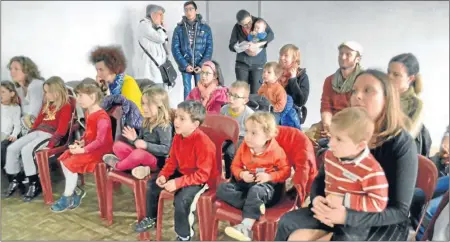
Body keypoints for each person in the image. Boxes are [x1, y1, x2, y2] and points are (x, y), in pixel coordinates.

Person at [275, 69, 418, 241]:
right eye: (354, 90)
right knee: (287, 222)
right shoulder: (343, 134)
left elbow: (399, 211)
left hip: (380, 220)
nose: (357, 96)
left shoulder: (402, 144)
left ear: (387, 99)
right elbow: (322, 179)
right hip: (336, 207)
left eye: (367, 90)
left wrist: (346, 217)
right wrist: (318, 199)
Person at [287, 107, 389, 240]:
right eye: (331, 136)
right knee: (290, 228)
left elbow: (378, 203)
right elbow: (320, 180)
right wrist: (317, 199)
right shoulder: (330, 155)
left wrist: (344, 201)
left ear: (360, 146)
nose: (330, 143)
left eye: (339, 139)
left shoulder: (372, 171)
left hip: (353, 221)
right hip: (327, 212)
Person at [134, 100, 217, 241]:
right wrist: (164, 175)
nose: (176, 121)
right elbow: (172, 160)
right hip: (184, 173)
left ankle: (184, 236)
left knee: (182, 200)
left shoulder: (204, 143)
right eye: (176, 116)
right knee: (153, 184)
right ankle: (151, 218)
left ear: (195, 124)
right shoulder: (178, 137)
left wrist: (177, 183)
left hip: (202, 179)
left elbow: (203, 175)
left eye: (182, 118)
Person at [216, 112, 290, 241]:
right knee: (222, 188)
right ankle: (255, 206)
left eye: (254, 133)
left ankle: (245, 227)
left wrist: (269, 176)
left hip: (267, 187)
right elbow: (235, 166)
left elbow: (286, 172)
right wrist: (242, 174)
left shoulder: (276, 151)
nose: (247, 136)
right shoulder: (244, 146)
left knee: (256, 191)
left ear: (267, 136)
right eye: (247, 131)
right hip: (247, 183)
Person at [4, 77, 72, 202]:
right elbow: (38, 121)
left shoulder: (65, 106)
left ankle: (34, 183)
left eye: (48, 92)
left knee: (26, 150)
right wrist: (29, 135)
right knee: (12, 148)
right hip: (37, 132)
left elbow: (62, 130)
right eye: (45, 92)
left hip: (49, 135)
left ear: (57, 91)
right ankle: (15, 179)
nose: (46, 95)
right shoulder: (47, 104)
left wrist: (51, 145)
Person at [51, 79, 113, 212]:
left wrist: (83, 150)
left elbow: (100, 141)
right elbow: (89, 133)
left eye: (80, 96)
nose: (78, 99)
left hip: (100, 151)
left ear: (92, 97)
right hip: (90, 146)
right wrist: (82, 141)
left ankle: (67, 196)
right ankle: (74, 190)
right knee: (64, 158)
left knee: (71, 163)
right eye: (77, 95)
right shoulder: (88, 112)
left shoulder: (102, 117)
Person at [103, 86, 173, 179]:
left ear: (160, 106)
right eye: (143, 103)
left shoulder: (164, 125)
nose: (144, 107)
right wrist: (134, 139)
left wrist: (146, 145)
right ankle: (140, 169)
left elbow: (167, 149)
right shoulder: (146, 121)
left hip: (156, 161)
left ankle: (118, 166)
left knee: (138, 154)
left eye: (148, 104)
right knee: (118, 146)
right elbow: (138, 143)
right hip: (142, 155)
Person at [388, 53, 431, 156]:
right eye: (388, 72)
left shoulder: (416, 104)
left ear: (410, 78)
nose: (389, 77)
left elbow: (407, 136)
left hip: (397, 155)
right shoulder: (381, 95)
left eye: (396, 74)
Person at [319, 41, 364, 139]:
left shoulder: (364, 79)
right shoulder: (330, 80)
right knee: (307, 138)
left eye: (348, 54)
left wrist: (339, 131)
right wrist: (328, 126)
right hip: (333, 122)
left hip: (354, 125)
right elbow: (326, 106)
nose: (343, 57)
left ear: (357, 59)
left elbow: (363, 112)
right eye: (341, 53)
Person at [172, 1, 213, 99]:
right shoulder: (179, 28)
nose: (188, 12)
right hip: (186, 66)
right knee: (187, 90)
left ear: (196, 10)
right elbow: (175, 49)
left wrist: (201, 65)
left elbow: (209, 48)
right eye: (186, 10)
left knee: (201, 89)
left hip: (200, 65)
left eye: (191, 9)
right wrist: (185, 65)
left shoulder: (205, 28)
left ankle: (200, 112)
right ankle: (187, 111)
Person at [229, 10, 274, 94]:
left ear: (250, 15)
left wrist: (259, 44)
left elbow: (271, 35)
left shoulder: (259, 22)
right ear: (239, 24)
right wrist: (241, 48)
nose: (249, 25)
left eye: (249, 22)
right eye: (245, 24)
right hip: (242, 63)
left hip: (258, 63)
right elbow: (231, 45)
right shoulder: (237, 27)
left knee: (256, 93)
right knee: (241, 92)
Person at [89, 45, 143, 113]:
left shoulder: (128, 83)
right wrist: (102, 90)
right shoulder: (108, 85)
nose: (98, 74)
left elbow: (131, 113)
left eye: (101, 70)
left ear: (112, 68)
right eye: (97, 70)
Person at [221, 81, 254, 179]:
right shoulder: (224, 109)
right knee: (212, 148)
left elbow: (251, 133)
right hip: (227, 135)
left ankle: (230, 177)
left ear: (245, 100)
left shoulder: (249, 114)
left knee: (229, 152)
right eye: (230, 94)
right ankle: (211, 175)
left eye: (235, 96)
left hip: (242, 137)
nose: (231, 99)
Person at [7, 56, 45, 135]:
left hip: (40, 129)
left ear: (27, 71)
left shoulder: (36, 86)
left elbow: (33, 116)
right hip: (26, 129)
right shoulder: (19, 89)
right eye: (11, 69)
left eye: (16, 69)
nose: (12, 72)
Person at [135, 4, 169, 84]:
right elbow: (160, 38)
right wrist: (159, 26)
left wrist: (160, 27)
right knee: (151, 92)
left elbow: (165, 40)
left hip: (158, 67)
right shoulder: (144, 25)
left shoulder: (154, 27)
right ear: (152, 14)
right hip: (150, 69)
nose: (162, 17)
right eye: (160, 14)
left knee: (159, 93)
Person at [278, 44, 310, 122]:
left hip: (292, 114)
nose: (282, 58)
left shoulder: (302, 76)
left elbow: (301, 102)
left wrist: (293, 80)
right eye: (281, 55)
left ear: (294, 59)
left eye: (286, 55)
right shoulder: (274, 73)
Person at [1, 81, 21, 170]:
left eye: (3, 92)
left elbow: (17, 125)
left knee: (2, 148)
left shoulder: (15, 108)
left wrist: (14, 135)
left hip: (5, 135)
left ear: (12, 93)